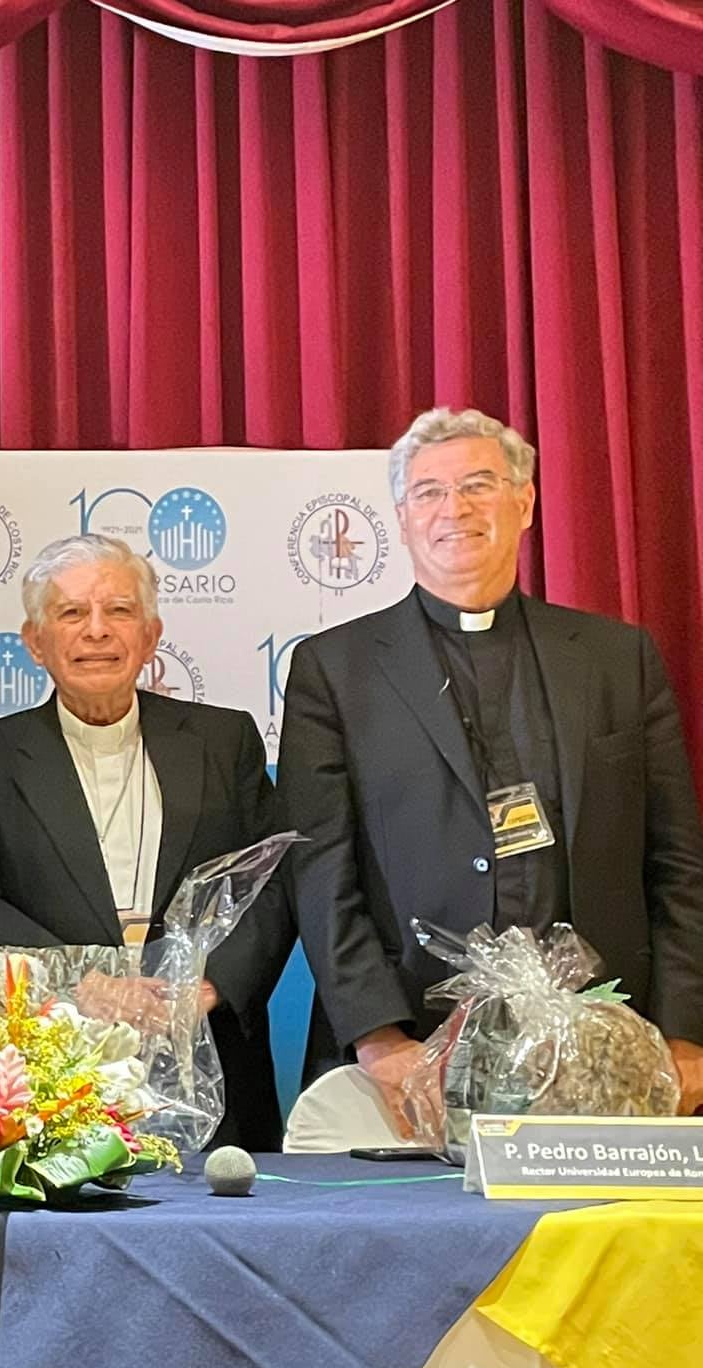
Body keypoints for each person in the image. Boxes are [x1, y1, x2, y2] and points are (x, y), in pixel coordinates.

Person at [280, 406, 703, 1125]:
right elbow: (319, 870)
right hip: (412, 1054)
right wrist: (380, 1037)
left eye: (480, 484)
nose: (456, 510)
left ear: (525, 502)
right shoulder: (335, 670)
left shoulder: (616, 660)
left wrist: (685, 1032)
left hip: (610, 1049)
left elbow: (678, 862)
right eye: (430, 493)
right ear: (403, 517)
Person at [0, 534, 293, 1149]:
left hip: (207, 1053)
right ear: (34, 642)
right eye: (72, 613)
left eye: (119, 611)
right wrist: (83, 982)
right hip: (47, 1064)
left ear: (150, 637)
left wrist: (209, 988)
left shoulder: (222, 740)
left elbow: (273, 877)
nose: (97, 631)